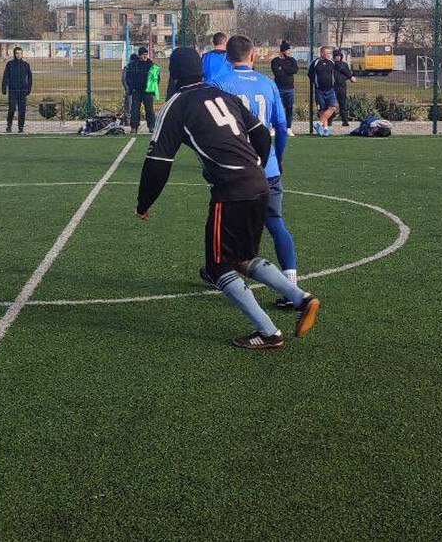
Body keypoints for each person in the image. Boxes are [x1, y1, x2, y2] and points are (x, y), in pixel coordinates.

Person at [135, 47, 320, 350]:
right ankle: (301, 298)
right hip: (260, 183)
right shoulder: (222, 95)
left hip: (231, 192)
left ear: (174, 74)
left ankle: (269, 332)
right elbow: (262, 134)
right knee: (243, 258)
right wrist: (256, 166)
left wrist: (144, 204)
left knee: (219, 267)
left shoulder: (177, 105)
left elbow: (158, 162)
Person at [213, 34, 301, 302]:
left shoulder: (218, 84)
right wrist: (279, 156)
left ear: (227, 58)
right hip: (267, 166)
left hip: (235, 170)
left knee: (225, 227)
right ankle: (291, 284)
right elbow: (281, 127)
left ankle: (221, 275)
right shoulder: (267, 84)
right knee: (275, 223)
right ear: (253, 56)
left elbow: (210, 130)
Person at [124, 47, 158, 133]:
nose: (145, 56)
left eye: (146, 54)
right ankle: (134, 127)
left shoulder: (151, 65)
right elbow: (128, 77)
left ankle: (151, 126)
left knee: (149, 109)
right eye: (143, 54)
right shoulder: (134, 65)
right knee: (135, 109)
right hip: (137, 91)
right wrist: (132, 88)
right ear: (139, 55)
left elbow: (156, 78)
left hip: (148, 91)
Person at [1, 46, 33, 133]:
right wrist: (4, 88)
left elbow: (30, 78)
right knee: (11, 108)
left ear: (22, 54)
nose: (18, 55)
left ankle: (21, 127)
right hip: (12, 90)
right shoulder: (10, 64)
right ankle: (9, 125)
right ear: (14, 54)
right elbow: (5, 77)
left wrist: (28, 89)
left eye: (20, 53)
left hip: (22, 91)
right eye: (17, 53)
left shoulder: (26, 65)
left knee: (22, 110)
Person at [270, 40, 299, 135]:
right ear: (283, 51)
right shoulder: (275, 61)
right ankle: (274, 128)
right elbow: (277, 73)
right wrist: (286, 69)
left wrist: (283, 68)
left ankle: (288, 128)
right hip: (278, 88)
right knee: (277, 109)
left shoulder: (292, 60)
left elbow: (294, 70)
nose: (289, 52)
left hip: (290, 89)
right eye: (287, 50)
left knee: (289, 108)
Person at [308, 46, 339, 136]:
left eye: (330, 53)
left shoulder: (332, 63)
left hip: (330, 89)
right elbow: (310, 74)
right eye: (327, 53)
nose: (329, 55)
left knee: (332, 108)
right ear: (322, 53)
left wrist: (350, 76)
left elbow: (340, 70)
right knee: (322, 109)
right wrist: (315, 82)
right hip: (319, 90)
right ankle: (325, 129)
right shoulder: (315, 62)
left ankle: (319, 124)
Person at [330, 49, 358, 127]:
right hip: (333, 87)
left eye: (339, 56)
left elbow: (347, 72)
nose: (337, 58)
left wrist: (345, 78)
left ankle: (345, 121)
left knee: (343, 104)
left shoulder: (344, 64)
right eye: (336, 56)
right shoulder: (332, 64)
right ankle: (330, 120)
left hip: (342, 86)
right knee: (331, 104)